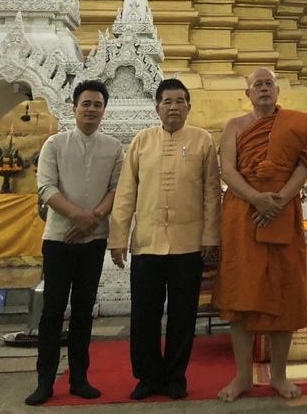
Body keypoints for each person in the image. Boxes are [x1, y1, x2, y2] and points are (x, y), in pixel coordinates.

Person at [108, 78, 220, 401]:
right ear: (157, 107)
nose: (173, 107)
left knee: (183, 316)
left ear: (188, 107)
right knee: (144, 314)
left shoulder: (202, 141)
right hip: (146, 244)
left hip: (189, 244)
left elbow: (212, 193)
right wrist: (118, 238)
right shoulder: (142, 141)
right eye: (167, 102)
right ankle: (147, 377)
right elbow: (126, 193)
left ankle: (175, 377)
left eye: (180, 101)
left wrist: (211, 237)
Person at [213, 68, 307, 401]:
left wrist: (280, 199)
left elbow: (304, 165)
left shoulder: (297, 123)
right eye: (257, 84)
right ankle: (243, 376)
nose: (263, 88)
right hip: (244, 214)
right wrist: (256, 198)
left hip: (282, 212)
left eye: (269, 83)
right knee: (241, 295)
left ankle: (279, 376)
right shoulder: (235, 126)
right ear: (247, 93)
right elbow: (227, 168)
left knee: (283, 292)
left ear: (277, 90)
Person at [26, 80, 124, 406]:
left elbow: (116, 189)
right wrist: (79, 218)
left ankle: (80, 378)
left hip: (93, 240)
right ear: (74, 108)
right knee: (52, 311)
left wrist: (92, 218)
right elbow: (46, 188)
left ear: (104, 110)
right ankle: (45, 382)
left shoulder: (113, 147)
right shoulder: (54, 144)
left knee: (84, 311)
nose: (92, 109)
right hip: (58, 239)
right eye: (86, 104)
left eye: (98, 105)